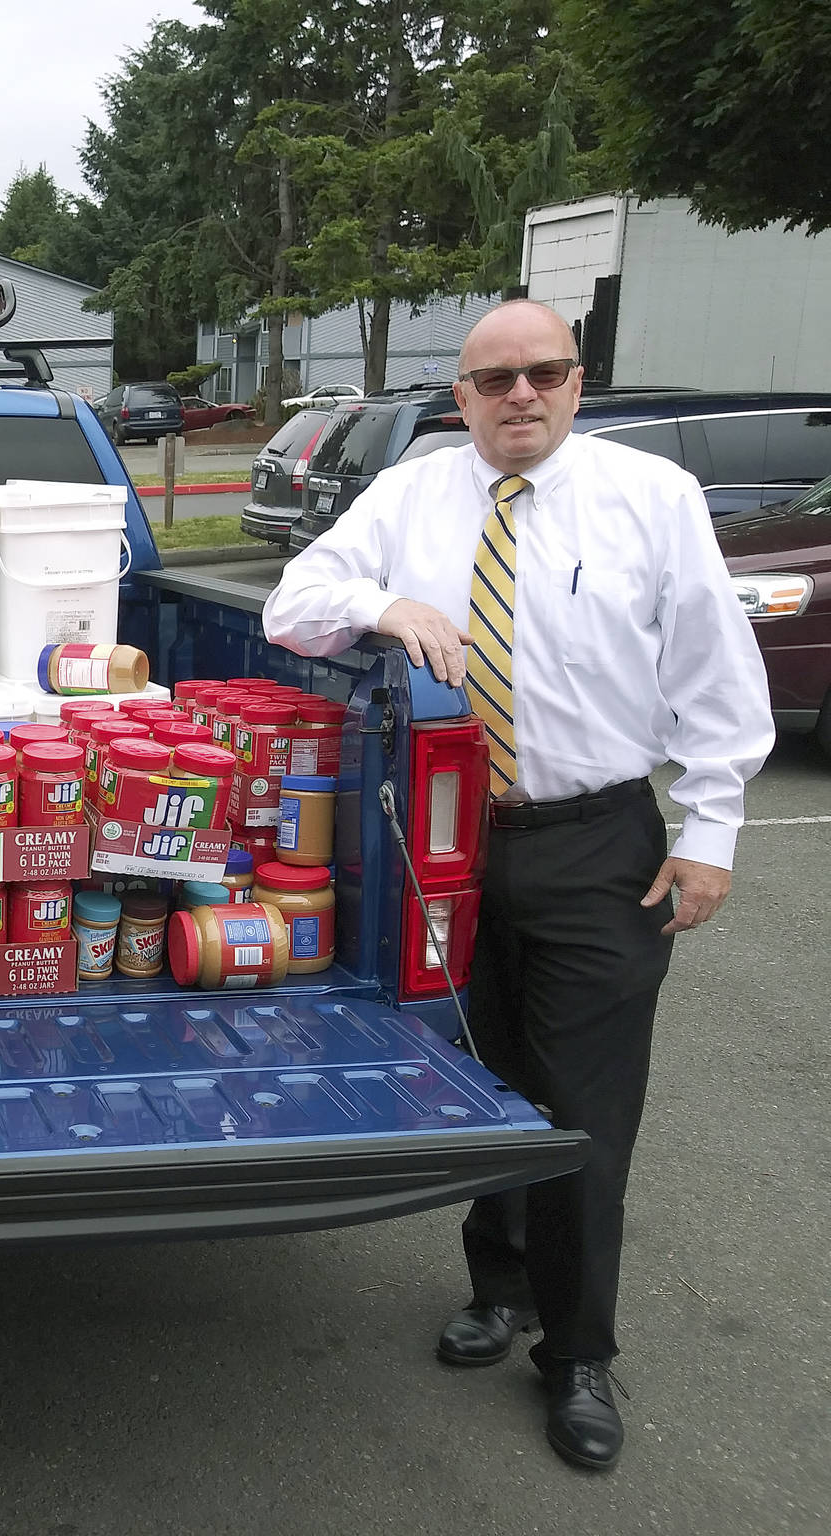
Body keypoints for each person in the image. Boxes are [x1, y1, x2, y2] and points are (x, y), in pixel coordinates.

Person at [262, 300, 773, 1471]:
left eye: (540, 373)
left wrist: (710, 832)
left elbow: (711, 668)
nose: (518, 397)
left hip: (596, 842)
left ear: (575, 382)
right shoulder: (411, 494)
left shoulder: (649, 499)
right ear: (461, 398)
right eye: (492, 381)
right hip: (447, 847)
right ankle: (498, 1289)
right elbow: (295, 604)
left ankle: (578, 1354)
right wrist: (381, 605)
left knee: (584, 1109)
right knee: (483, 1080)